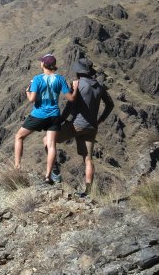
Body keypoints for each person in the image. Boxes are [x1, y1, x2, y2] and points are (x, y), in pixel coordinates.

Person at [44, 58, 114, 197]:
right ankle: (88, 192)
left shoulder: (78, 85)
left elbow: (70, 106)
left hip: (76, 125)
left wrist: (61, 120)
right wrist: (100, 120)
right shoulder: (99, 85)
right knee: (88, 159)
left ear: (79, 71)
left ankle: (55, 172)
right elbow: (110, 105)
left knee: (47, 140)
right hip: (92, 127)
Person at [14, 54, 77, 183]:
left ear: (43, 64)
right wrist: (74, 89)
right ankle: (48, 176)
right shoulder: (60, 79)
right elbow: (71, 98)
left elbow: (32, 99)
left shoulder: (37, 79)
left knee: (19, 137)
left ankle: (17, 166)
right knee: (51, 145)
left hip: (38, 115)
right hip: (54, 116)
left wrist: (27, 92)